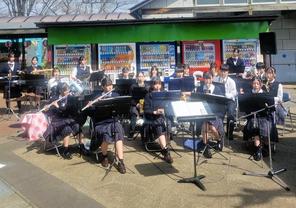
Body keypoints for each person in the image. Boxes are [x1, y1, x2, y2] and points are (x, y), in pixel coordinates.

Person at [90, 78, 126, 174]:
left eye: (111, 85)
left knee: (118, 130)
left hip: (113, 120)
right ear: (103, 87)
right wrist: (91, 106)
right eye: (107, 85)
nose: (109, 87)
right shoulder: (97, 97)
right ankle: (104, 155)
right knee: (105, 134)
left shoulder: (116, 95)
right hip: (101, 123)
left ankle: (121, 161)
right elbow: (93, 114)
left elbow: (121, 110)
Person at [43, 82, 84, 159]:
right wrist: (47, 108)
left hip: (68, 119)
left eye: (68, 90)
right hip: (57, 121)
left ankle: (82, 146)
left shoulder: (71, 98)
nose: (67, 92)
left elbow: (72, 110)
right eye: (65, 91)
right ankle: (65, 149)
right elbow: (48, 112)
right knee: (66, 128)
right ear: (60, 91)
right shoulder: (54, 99)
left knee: (77, 126)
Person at [144, 78, 173, 164]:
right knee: (159, 123)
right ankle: (165, 151)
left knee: (165, 122)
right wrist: (155, 112)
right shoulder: (148, 95)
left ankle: (165, 148)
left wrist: (165, 110)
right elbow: (146, 110)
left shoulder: (164, 94)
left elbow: (168, 106)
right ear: (152, 85)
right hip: (152, 117)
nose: (157, 86)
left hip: (162, 116)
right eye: (156, 84)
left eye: (159, 84)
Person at [243, 77, 271, 161]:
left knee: (264, 127)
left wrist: (266, 107)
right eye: (254, 83)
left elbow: (269, 108)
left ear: (261, 84)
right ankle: (258, 148)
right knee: (254, 125)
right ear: (252, 84)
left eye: (257, 84)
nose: (255, 85)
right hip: (253, 116)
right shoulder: (249, 93)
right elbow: (245, 108)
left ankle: (265, 145)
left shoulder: (265, 94)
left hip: (263, 117)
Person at [197, 72, 224, 158]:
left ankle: (219, 139)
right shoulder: (200, 88)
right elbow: (197, 101)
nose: (207, 81)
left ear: (212, 79)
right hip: (204, 112)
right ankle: (205, 145)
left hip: (215, 113)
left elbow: (221, 103)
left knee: (212, 127)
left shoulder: (218, 89)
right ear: (203, 79)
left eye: (209, 78)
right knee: (205, 124)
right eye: (206, 78)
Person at [214, 64, 237, 140]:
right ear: (220, 71)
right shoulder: (216, 79)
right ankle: (220, 132)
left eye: (225, 71)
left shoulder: (231, 81)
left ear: (228, 72)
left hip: (229, 100)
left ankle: (230, 133)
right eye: (222, 71)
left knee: (230, 114)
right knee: (219, 115)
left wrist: (227, 95)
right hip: (220, 100)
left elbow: (234, 93)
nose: (223, 73)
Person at [263, 66, 284, 143]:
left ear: (274, 74)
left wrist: (271, 99)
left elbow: (280, 99)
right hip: (263, 106)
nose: (268, 75)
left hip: (273, 106)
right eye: (267, 73)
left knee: (272, 123)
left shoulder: (278, 85)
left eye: (270, 73)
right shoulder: (263, 84)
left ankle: (272, 140)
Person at [129, 72, 148, 138]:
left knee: (148, 113)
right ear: (136, 78)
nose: (140, 78)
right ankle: (132, 131)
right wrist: (137, 104)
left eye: (142, 76)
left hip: (145, 105)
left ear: (144, 77)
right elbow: (130, 98)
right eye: (139, 76)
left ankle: (146, 133)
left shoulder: (147, 86)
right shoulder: (133, 86)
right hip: (136, 104)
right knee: (133, 112)